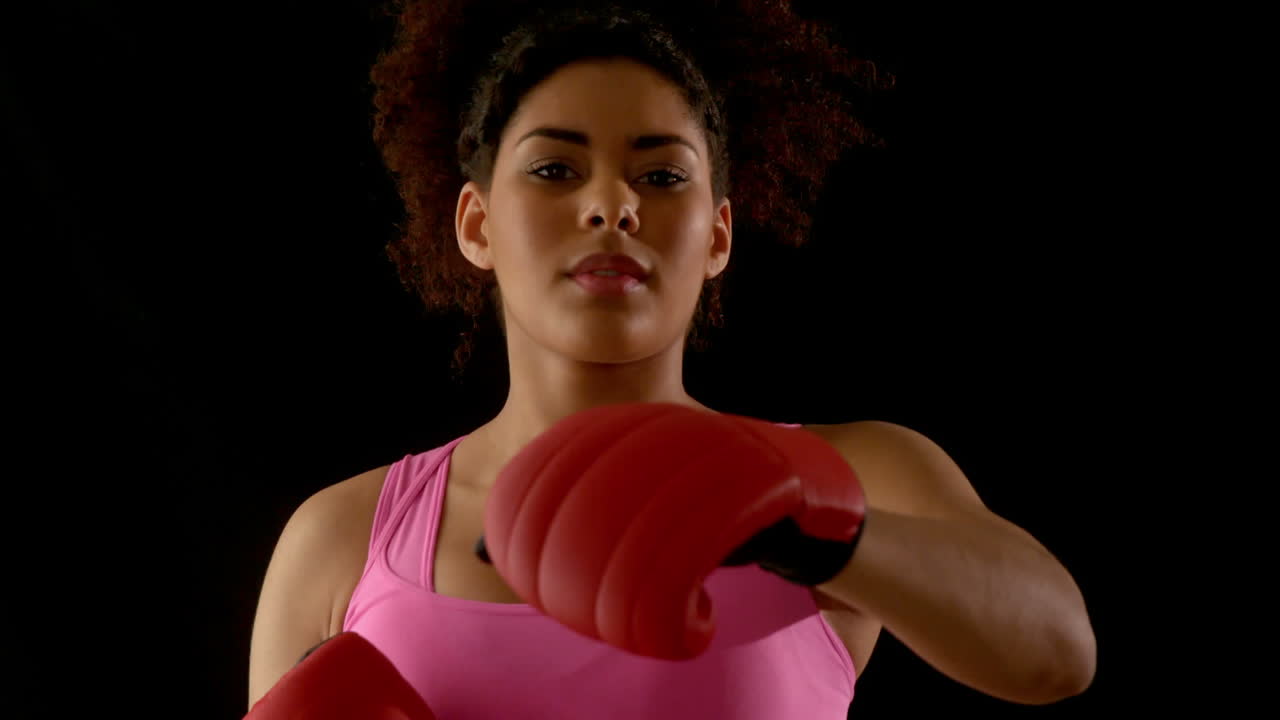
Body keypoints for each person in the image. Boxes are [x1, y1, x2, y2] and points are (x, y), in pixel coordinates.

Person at [247, 1, 1096, 717]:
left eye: (661, 177)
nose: (612, 204)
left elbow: (1057, 651)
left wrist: (807, 534)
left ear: (718, 233)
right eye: (554, 168)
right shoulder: (345, 538)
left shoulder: (843, 470)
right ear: (476, 225)